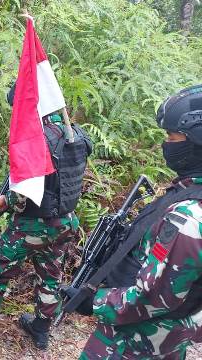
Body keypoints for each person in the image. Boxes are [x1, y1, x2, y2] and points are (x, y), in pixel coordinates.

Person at [0, 85, 92, 350]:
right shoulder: (74, 133)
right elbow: (56, 180)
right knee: (50, 275)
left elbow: (27, 192)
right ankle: (41, 330)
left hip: (36, 223)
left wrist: (5, 200)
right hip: (66, 221)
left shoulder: (36, 139)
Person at [65, 85, 202, 359]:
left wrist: (93, 302)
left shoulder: (188, 217)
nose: (166, 144)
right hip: (171, 334)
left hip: (139, 339)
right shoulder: (188, 194)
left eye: (172, 137)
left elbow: (153, 298)